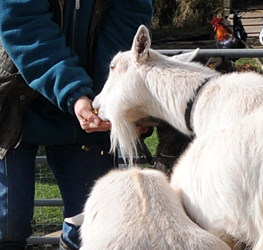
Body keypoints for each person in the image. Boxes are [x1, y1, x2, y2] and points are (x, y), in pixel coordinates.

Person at [0, 0, 153, 249]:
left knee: (93, 225)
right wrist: (74, 92)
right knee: (6, 225)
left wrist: (111, 104)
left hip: (89, 108)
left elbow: (124, 35)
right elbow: (25, 29)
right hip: (12, 107)